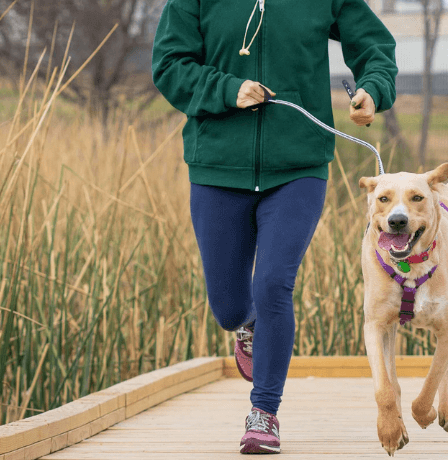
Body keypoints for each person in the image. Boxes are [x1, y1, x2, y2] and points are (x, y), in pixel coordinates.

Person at [152, 0, 397, 454]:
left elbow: (375, 46)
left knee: (273, 285)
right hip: (216, 167)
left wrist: (373, 89)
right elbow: (169, 65)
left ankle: (263, 413)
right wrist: (227, 89)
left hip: (299, 166)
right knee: (228, 306)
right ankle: (245, 325)